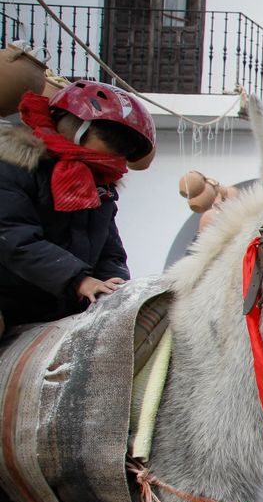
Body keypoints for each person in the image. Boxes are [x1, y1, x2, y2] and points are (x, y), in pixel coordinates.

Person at [0, 81, 155, 332]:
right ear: (75, 131)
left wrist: (116, 288)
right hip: (10, 303)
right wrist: (79, 280)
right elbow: (14, 238)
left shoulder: (100, 184)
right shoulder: (12, 168)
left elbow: (110, 251)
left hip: (66, 305)